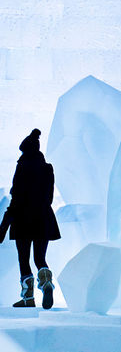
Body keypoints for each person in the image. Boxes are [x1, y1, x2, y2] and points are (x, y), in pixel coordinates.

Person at [0, 128, 60, 309]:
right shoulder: (47, 168)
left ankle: (28, 298)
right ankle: (46, 281)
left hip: (23, 219)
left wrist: (3, 228)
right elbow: (49, 197)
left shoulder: (22, 166)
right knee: (40, 258)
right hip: (43, 217)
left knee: (24, 259)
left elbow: (17, 197)